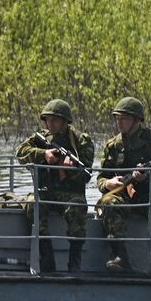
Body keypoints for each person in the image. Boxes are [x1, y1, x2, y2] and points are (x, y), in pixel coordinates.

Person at [96, 97, 151, 274]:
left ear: (137, 120)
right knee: (109, 202)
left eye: (124, 118)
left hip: (149, 192)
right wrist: (108, 183)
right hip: (123, 193)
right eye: (117, 118)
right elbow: (101, 177)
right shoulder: (113, 145)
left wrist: (146, 178)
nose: (119, 122)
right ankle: (119, 256)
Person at [16, 99, 93, 273]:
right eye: (47, 120)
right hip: (46, 192)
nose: (49, 124)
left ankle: (75, 261)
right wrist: (44, 154)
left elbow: (86, 175)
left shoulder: (81, 141)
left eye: (54, 120)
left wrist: (70, 169)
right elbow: (20, 153)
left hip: (70, 193)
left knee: (77, 207)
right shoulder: (41, 138)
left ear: (64, 122)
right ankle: (46, 255)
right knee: (32, 204)